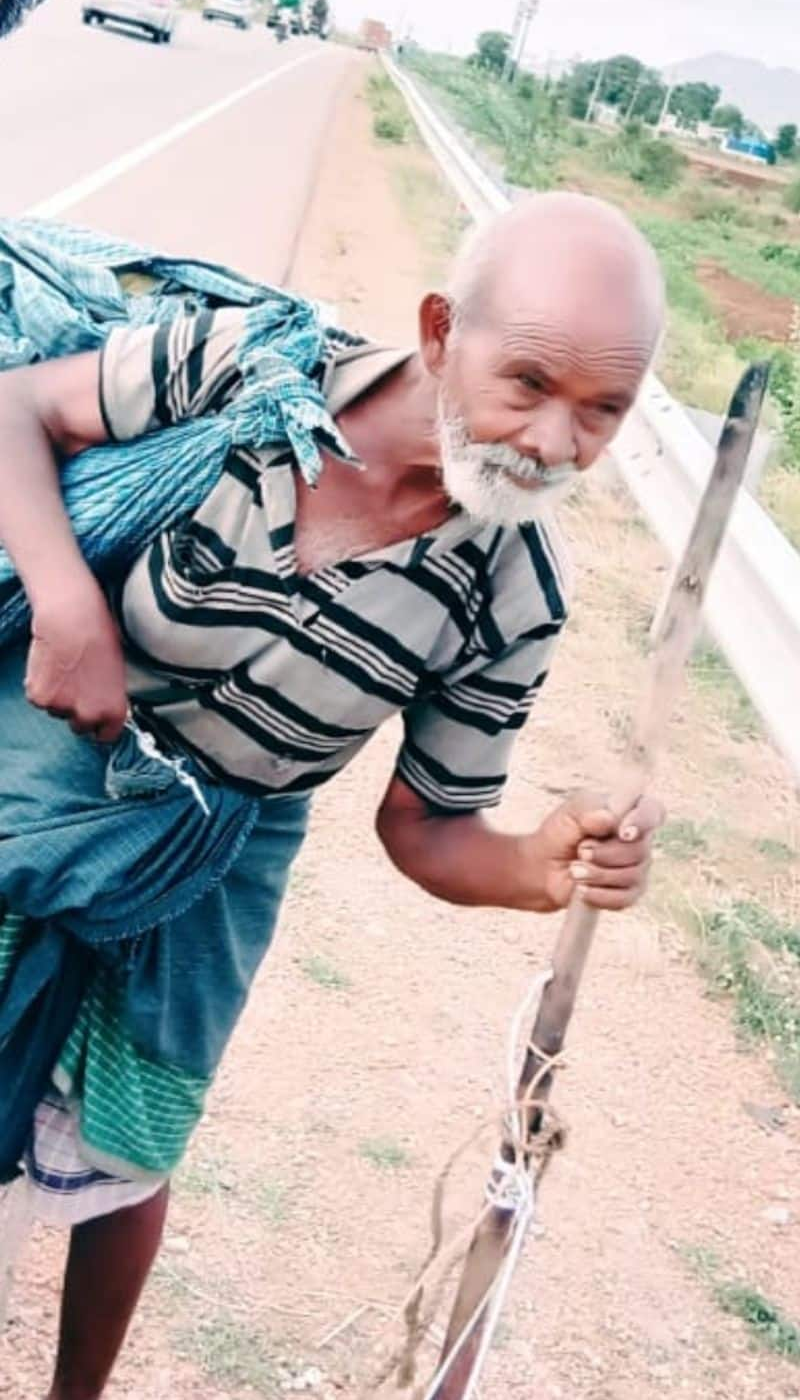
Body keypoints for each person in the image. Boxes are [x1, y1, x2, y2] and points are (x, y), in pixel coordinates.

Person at [0, 191, 666, 1400]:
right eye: (526, 383)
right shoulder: (255, 368)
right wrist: (66, 602)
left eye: (601, 414)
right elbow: (16, 410)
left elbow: (427, 828)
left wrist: (539, 867)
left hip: (216, 866)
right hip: (41, 762)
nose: (554, 444)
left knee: (130, 1155)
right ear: (435, 331)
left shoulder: (511, 595)